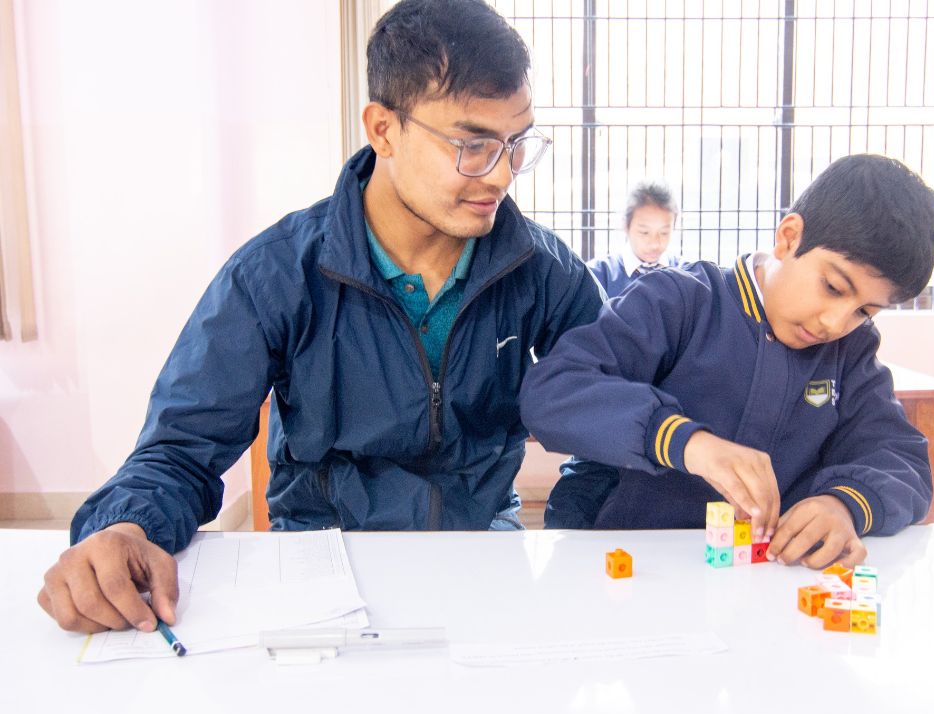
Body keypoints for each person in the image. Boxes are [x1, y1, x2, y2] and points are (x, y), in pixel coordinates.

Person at [38, 0, 603, 635]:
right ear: (383, 129)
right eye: (472, 145)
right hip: (320, 563)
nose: (500, 175)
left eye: (516, 144)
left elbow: (622, 412)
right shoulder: (275, 275)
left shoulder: (544, 272)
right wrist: (125, 526)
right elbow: (179, 449)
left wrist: (576, 536)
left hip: (482, 553)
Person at [521, 154, 934, 569]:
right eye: (832, 287)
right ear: (789, 237)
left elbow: (902, 458)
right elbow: (553, 393)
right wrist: (683, 441)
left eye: (864, 311)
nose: (835, 322)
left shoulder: (849, 350)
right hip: (631, 561)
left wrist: (845, 503)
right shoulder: (679, 301)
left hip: (762, 576)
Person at [587, 180, 682, 298]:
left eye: (664, 233)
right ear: (626, 226)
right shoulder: (598, 275)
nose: (654, 243)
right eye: (644, 232)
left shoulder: (685, 275)